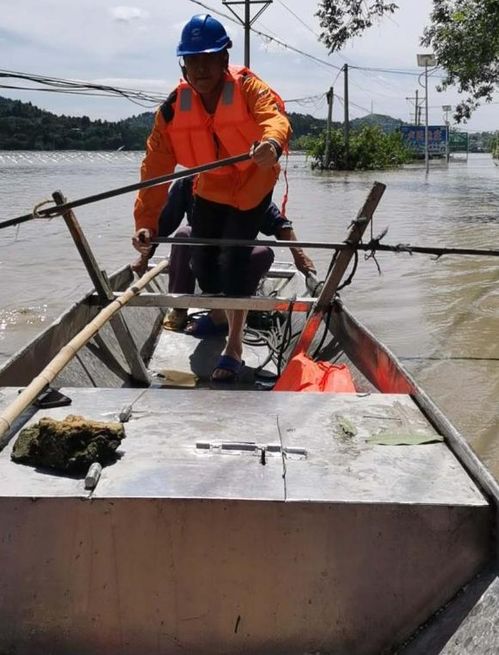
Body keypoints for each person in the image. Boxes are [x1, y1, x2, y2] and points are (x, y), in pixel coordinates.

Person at [133, 14, 291, 381]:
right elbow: (154, 171)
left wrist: (271, 143)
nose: (200, 67)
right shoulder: (173, 109)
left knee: (234, 259)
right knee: (201, 262)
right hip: (212, 185)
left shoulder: (250, 87)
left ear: (224, 59)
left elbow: (276, 120)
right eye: (192, 59)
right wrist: (145, 223)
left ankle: (233, 346)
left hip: (253, 183)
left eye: (208, 57)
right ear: (183, 65)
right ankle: (219, 313)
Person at [132, 176, 316, 333]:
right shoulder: (188, 183)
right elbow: (163, 223)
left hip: (236, 255)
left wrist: (299, 256)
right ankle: (180, 307)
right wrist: (144, 257)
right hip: (202, 254)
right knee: (184, 234)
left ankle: (235, 309)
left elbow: (279, 224)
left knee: (263, 253)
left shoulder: (248, 184)